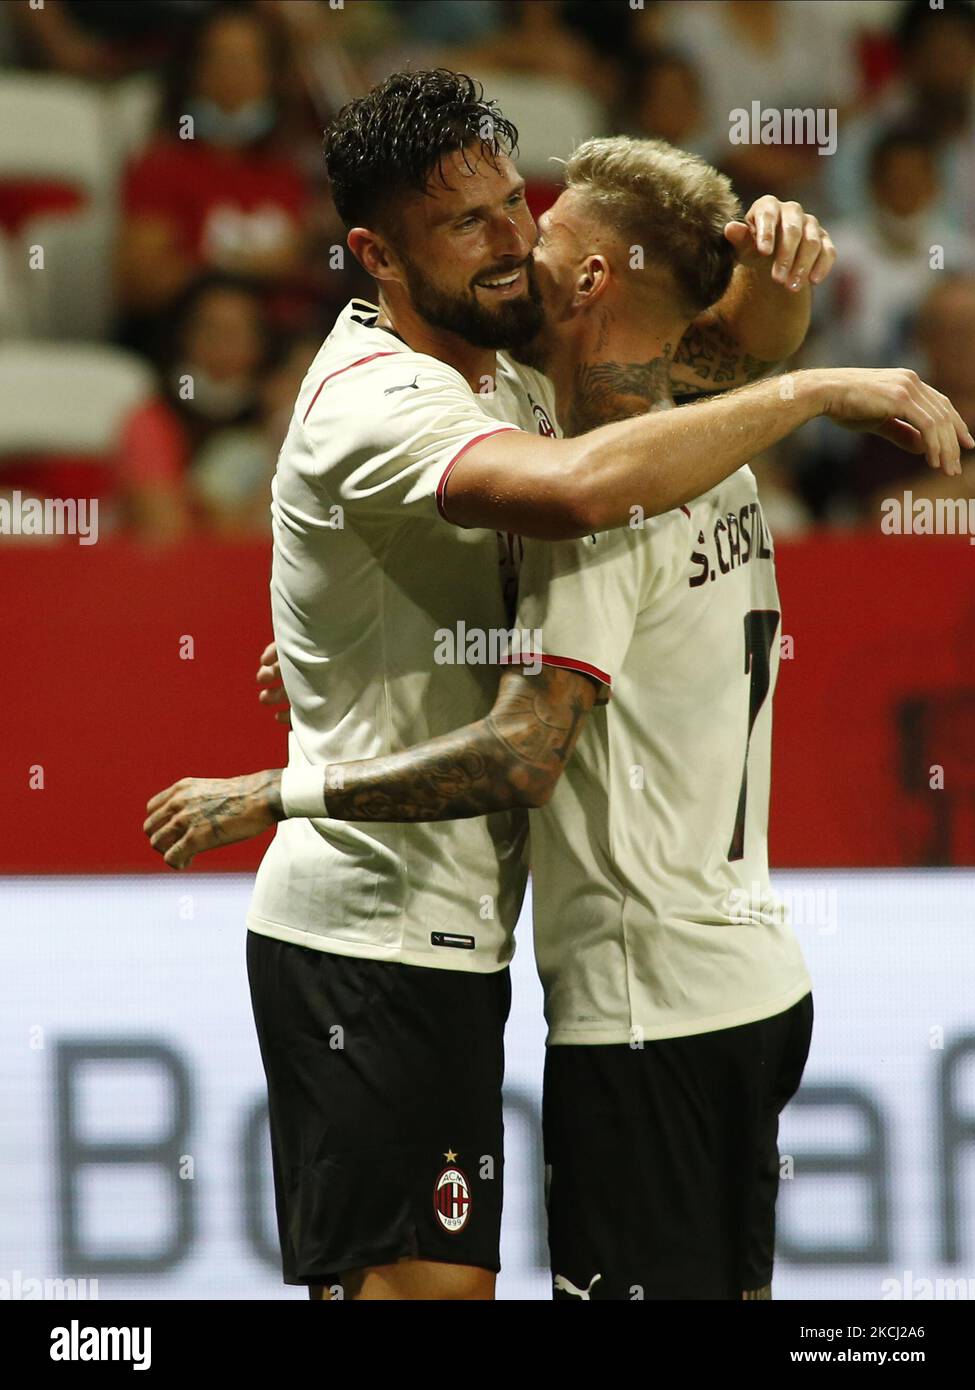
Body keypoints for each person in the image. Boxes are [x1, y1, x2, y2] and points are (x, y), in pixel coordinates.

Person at [143, 71, 969, 1303]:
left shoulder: (540, 377)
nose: (510, 242)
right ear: (373, 251)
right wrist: (807, 388)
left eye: (517, 208)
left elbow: (699, 351)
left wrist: (775, 286)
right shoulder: (395, 401)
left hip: (510, 951)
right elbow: (590, 485)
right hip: (372, 936)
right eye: (466, 226)